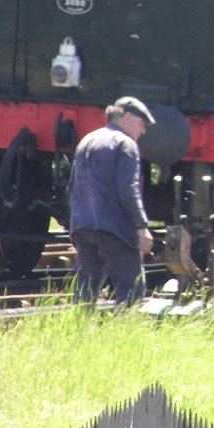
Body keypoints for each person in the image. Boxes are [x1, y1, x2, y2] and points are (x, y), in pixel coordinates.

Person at [68, 96, 156, 305]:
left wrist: (76, 223)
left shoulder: (87, 140)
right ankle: (125, 332)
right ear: (127, 118)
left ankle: (80, 330)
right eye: (142, 124)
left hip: (83, 226)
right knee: (132, 288)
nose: (142, 131)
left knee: (85, 290)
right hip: (114, 228)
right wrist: (141, 226)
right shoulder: (125, 144)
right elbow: (128, 189)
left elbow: (71, 186)